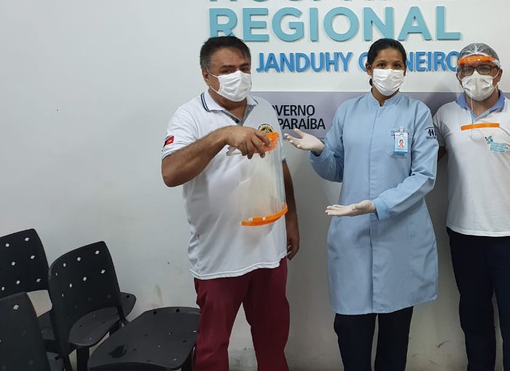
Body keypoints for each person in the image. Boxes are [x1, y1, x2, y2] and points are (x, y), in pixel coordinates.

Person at [285, 38, 438, 371]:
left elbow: (424, 176)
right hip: (353, 235)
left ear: (405, 70)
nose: (389, 71)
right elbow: (336, 169)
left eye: (397, 65)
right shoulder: (348, 112)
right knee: (351, 329)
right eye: (382, 64)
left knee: (395, 335)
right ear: (368, 68)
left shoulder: (417, 113)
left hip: (400, 236)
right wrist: (319, 151)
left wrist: (378, 205)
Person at [161, 35, 300, 371]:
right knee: (212, 348)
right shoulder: (189, 116)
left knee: (272, 339)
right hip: (220, 255)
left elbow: (279, 166)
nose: (238, 76)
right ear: (206, 75)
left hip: (269, 250)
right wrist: (223, 135)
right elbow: (170, 173)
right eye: (227, 70)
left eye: (244, 68)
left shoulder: (264, 108)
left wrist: (292, 220)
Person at [432, 43, 510, 371]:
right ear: (458, 75)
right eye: (467, 69)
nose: (476, 75)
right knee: (474, 319)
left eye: (484, 68)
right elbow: (425, 165)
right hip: (463, 235)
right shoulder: (445, 116)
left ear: (498, 73)